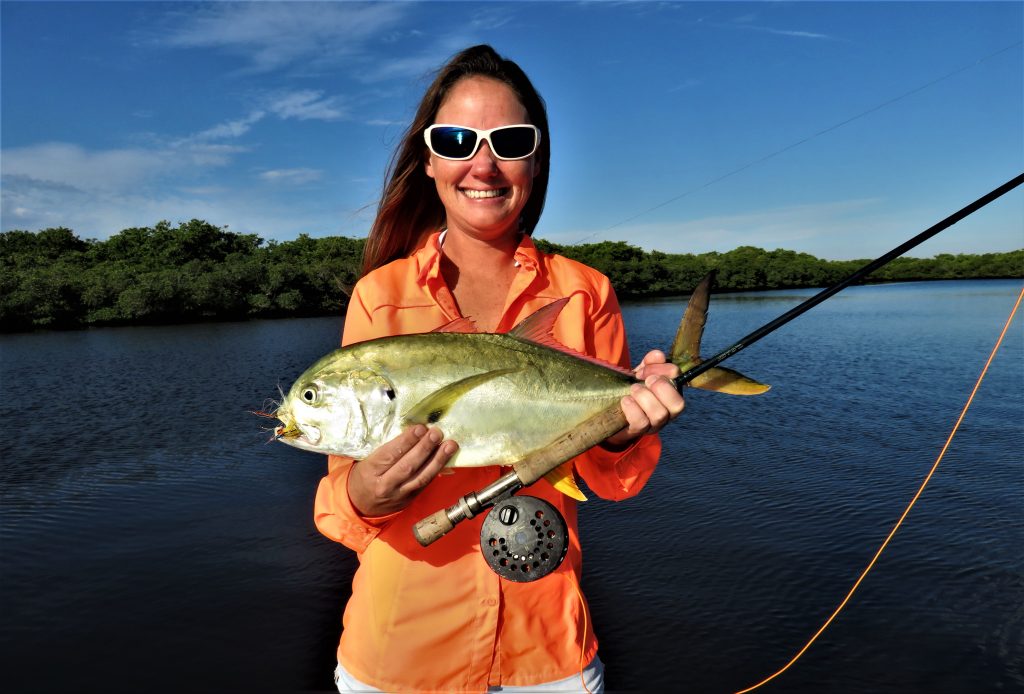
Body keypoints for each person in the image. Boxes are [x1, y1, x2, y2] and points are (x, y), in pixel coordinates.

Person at [313, 44, 685, 693]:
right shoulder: (379, 296)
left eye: (509, 140)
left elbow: (610, 477)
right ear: (428, 160)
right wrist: (367, 495)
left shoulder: (585, 292)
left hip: (547, 650)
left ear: (536, 162)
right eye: (456, 139)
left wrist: (626, 428)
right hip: (401, 652)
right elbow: (344, 502)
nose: (482, 163)